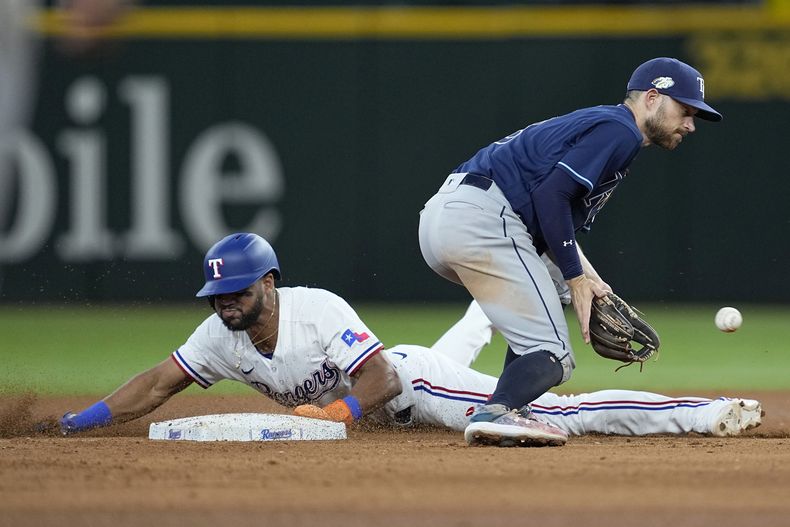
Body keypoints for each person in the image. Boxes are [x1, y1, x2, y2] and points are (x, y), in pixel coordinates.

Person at [53, 233, 762, 443]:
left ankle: (702, 411)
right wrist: (82, 418)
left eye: (237, 291)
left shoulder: (315, 308)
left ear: (269, 281)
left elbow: (385, 380)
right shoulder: (219, 333)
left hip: (410, 388)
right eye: (218, 295)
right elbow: (157, 380)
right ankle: (522, 286)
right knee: (462, 337)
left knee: (545, 411)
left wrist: (339, 415)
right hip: (400, 392)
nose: (227, 304)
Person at [417, 57, 723, 446]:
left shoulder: (601, 123)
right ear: (651, 97)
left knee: (540, 309)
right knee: (553, 355)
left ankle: (515, 408)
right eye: (685, 110)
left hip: (448, 219)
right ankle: (498, 409)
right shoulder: (620, 131)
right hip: (484, 219)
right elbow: (551, 196)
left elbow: (546, 217)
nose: (690, 124)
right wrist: (575, 280)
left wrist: (590, 281)